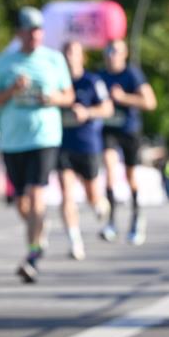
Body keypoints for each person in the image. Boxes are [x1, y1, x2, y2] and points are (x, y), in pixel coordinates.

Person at [0, 7, 74, 282]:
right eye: (29, 31)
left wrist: (53, 99)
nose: (35, 36)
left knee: (36, 196)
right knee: (22, 204)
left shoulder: (54, 59)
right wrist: (11, 90)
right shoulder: (4, 62)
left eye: (38, 31)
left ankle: (32, 255)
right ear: (19, 33)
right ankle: (39, 230)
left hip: (44, 137)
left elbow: (69, 96)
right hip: (13, 141)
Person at [57, 41, 113, 260]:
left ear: (82, 57)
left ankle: (100, 204)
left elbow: (107, 108)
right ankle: (75, 241)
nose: (70, 56)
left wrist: (87, 112)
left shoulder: (92, 81)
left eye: (74, 52)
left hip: (87, 144)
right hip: (62, 144)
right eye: (66, 52)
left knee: (92, 195)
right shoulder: (58, 82)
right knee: (66, 193)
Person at [99, 40, 157, 245]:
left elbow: (150, 102)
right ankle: (111, 222)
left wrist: (123, 98)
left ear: (124, 54)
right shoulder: (101, 76)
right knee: (109, 170)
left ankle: (136, 217)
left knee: (130, 175)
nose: (112, 54)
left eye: (116, 51)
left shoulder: (132, 74)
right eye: (109, 50)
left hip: (129, 130)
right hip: (108, 130)